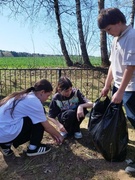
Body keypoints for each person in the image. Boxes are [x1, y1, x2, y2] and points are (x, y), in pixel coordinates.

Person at [98, 8, 135, 176]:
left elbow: (131, 67)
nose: (108, 33)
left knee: (134, 120)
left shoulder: (132, 37)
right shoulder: (116, 39)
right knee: (120, 119)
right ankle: (119, 143)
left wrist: (120, 92)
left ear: (118, 22)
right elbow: (112, 65)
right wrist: (107, 85)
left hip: (131, 89)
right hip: (119, 87)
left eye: (108, 29)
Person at [0, 79, 63, 157]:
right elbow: (46, 126)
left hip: (2, 133)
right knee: (39, 121)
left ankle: (5, 145)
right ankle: (33, 148)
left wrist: (53, 135)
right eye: (47, 95)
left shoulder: (25, 95)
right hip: (6, 132)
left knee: (36, 116)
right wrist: (60, 136)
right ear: (42, 92)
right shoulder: (34, 101)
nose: (47, 98)